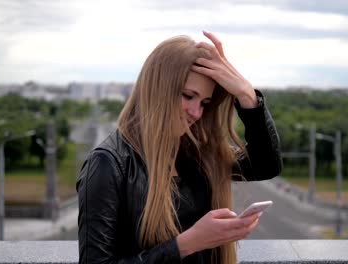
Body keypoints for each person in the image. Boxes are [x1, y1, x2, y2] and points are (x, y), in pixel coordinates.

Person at [77, 31, 282, 264]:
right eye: (187, 96)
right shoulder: (108, 163)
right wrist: (188, 243)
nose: (196, 113)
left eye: (204, 103)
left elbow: (267, 165)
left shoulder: (197, 153)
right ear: (158, 90)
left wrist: (247, 94)